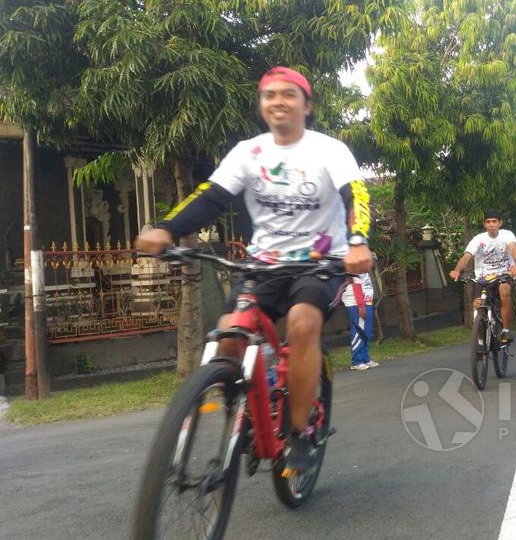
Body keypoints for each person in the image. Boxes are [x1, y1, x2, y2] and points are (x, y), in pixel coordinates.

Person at [135, 66, 373, 476]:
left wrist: (357, 242)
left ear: (307, 105)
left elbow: (357, 195)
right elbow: (211, 196)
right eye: (269, 95)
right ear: (262, 106)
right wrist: (167, 228)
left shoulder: (328, 150)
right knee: (229, 334)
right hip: (262, 264)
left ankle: (298, 432)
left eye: (289, 94)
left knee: (302, 324)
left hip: (320, 264)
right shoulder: (249, 152)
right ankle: (242, 410)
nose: (278, 101)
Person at [450, 209, 516, 344]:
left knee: (504, 291)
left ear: (500, 223)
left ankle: (505, 330)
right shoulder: (478, 239)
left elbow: (513, 249)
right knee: (477, 305)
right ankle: (480, 341)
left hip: (504, 274)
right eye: (488, 222)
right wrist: (457, 270)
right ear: (484, 224)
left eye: (494, 221)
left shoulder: (507, 235)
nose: (491, 224)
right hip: (483, 277)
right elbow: (467, 257)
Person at [344, 271, 379, 371]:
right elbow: (356, 288)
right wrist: (361, 307)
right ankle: (357, 361)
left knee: (366, 331)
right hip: (356, 304)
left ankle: (365, 357)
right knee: (358, 332)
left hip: (366, 302)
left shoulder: (363, 270)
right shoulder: (355, 269)